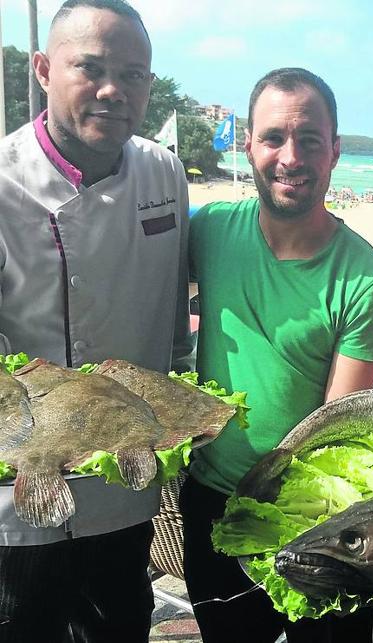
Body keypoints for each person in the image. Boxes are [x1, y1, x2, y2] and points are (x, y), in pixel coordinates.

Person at [181, 67, 373, 643]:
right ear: (248, 145)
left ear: (334, 151)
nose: (290, 156)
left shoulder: (365, 277)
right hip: (212, 503)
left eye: (309, 140)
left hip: (319, 515)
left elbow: (339, 427)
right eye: (274, 137)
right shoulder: (209, 230)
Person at [0, 1, 193, 641]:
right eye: (92, 69)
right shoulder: (3, 183)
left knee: (120, 627)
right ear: (43, 70)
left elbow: (171, 317)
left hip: (124, 481)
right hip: (21, 490)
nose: (115, 90)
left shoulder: (163, 170)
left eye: (135, 75)